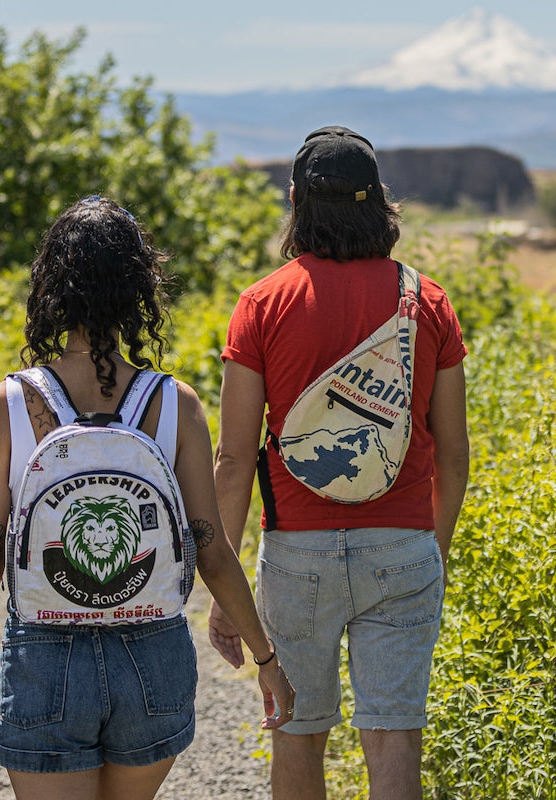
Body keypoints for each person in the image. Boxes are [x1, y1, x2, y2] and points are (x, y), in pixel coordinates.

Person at [0, 195, 294, 800]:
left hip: (45, 658)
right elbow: (212, 550)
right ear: (138, 292)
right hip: (154, 657)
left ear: (51, 289)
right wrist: (266, 661)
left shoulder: (9, 404)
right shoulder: (177, 404)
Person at [209, 126, 469, 800]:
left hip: (297, 553)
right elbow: (455, 453)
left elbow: (234, 457)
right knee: (392, 738)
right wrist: (428, 548)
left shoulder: (262, 304)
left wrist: (223, 584)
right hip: (403, 544)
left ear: (295, 201)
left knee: (296, 730)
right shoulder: (427, 301)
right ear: (380, 202)